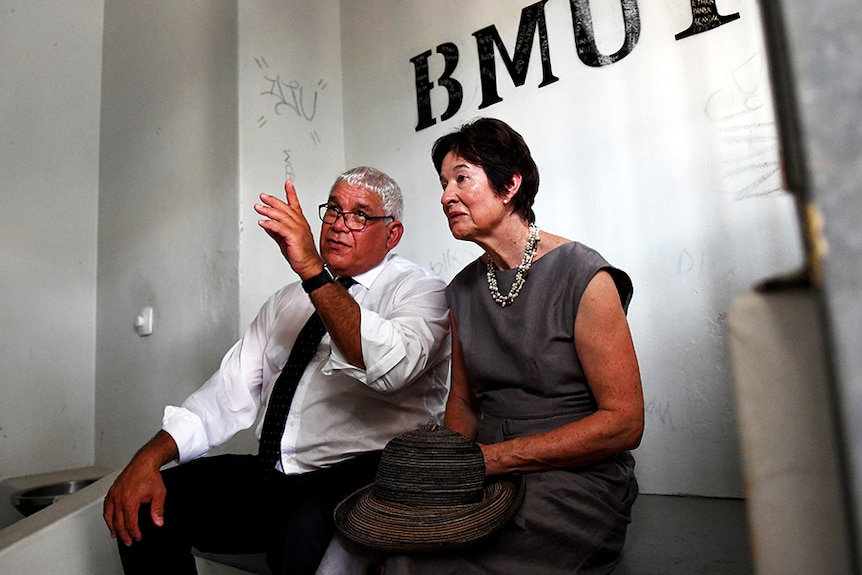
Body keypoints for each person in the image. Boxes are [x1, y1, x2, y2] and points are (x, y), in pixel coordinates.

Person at [103, 166, 451, 575]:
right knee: (148, 508)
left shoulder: (419, 291)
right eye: (333, 210)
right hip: (275, 474)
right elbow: (226, 393)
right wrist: (148, 458)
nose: (339, 225)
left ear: (392, 234)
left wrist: (311, 271)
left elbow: (390, 367)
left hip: (362, 473)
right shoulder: (286, 301)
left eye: (359, 216)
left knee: (299, 532)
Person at [383, 118, 644, 574]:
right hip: (486, 469)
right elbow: (463, 401)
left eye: (461, 178)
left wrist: (493, 460)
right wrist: (444, 478)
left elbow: (624, 424)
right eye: (443, 183)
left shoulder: (586, 276)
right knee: (405, 545)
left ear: (510, 185)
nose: (446, 196)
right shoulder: (462, 290)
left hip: (573, 480)